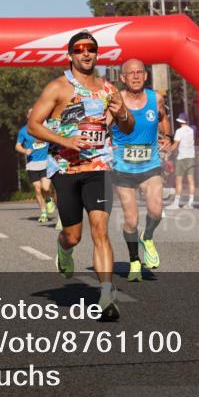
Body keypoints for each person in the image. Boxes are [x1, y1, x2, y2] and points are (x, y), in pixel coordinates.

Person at [28, 31, 134, 321]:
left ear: (97, 54)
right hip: (66, 168)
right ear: (70, 54)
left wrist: (123, 112)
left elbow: (126, 127)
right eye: (79, 49)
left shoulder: (108, 89)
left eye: (91, 49)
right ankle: (64, 250)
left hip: (99, 167)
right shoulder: (58, 88)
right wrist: (66, 142)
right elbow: (34, 125)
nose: (85, 54)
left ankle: (106, 295)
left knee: (100, 229)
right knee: (74, 236)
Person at [112, 59, 170, 281]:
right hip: (123, 168)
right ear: (123, 78)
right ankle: (134, 259)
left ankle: (148, 236)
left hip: (150, 165)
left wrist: (168, 136)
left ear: (145, 76)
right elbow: (102, 125)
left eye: (139, 72)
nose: (135, 76)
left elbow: (163, 118)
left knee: (156, 211)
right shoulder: (116, 101)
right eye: (130, 73)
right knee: (131, 220)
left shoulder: (156, 99)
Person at [16, 110, 57, 224]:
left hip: (45, 161)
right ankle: (43, 213)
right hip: (32, 164)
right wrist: (24, 150)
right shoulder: (23, 131)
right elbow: (17, 146)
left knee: (46, 188)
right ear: (28, 116)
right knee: (37, 189)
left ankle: (49, 198)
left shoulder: (45, 127)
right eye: (31, 113)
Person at [168, 113, 196, 209]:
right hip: (191, 157)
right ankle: (190, 203)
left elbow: (175, 145)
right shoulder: (192, 130)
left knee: (178, 180)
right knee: (191, 180)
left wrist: (168, 149)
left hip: (182, 158)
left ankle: (176, 203)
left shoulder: (179, 131)